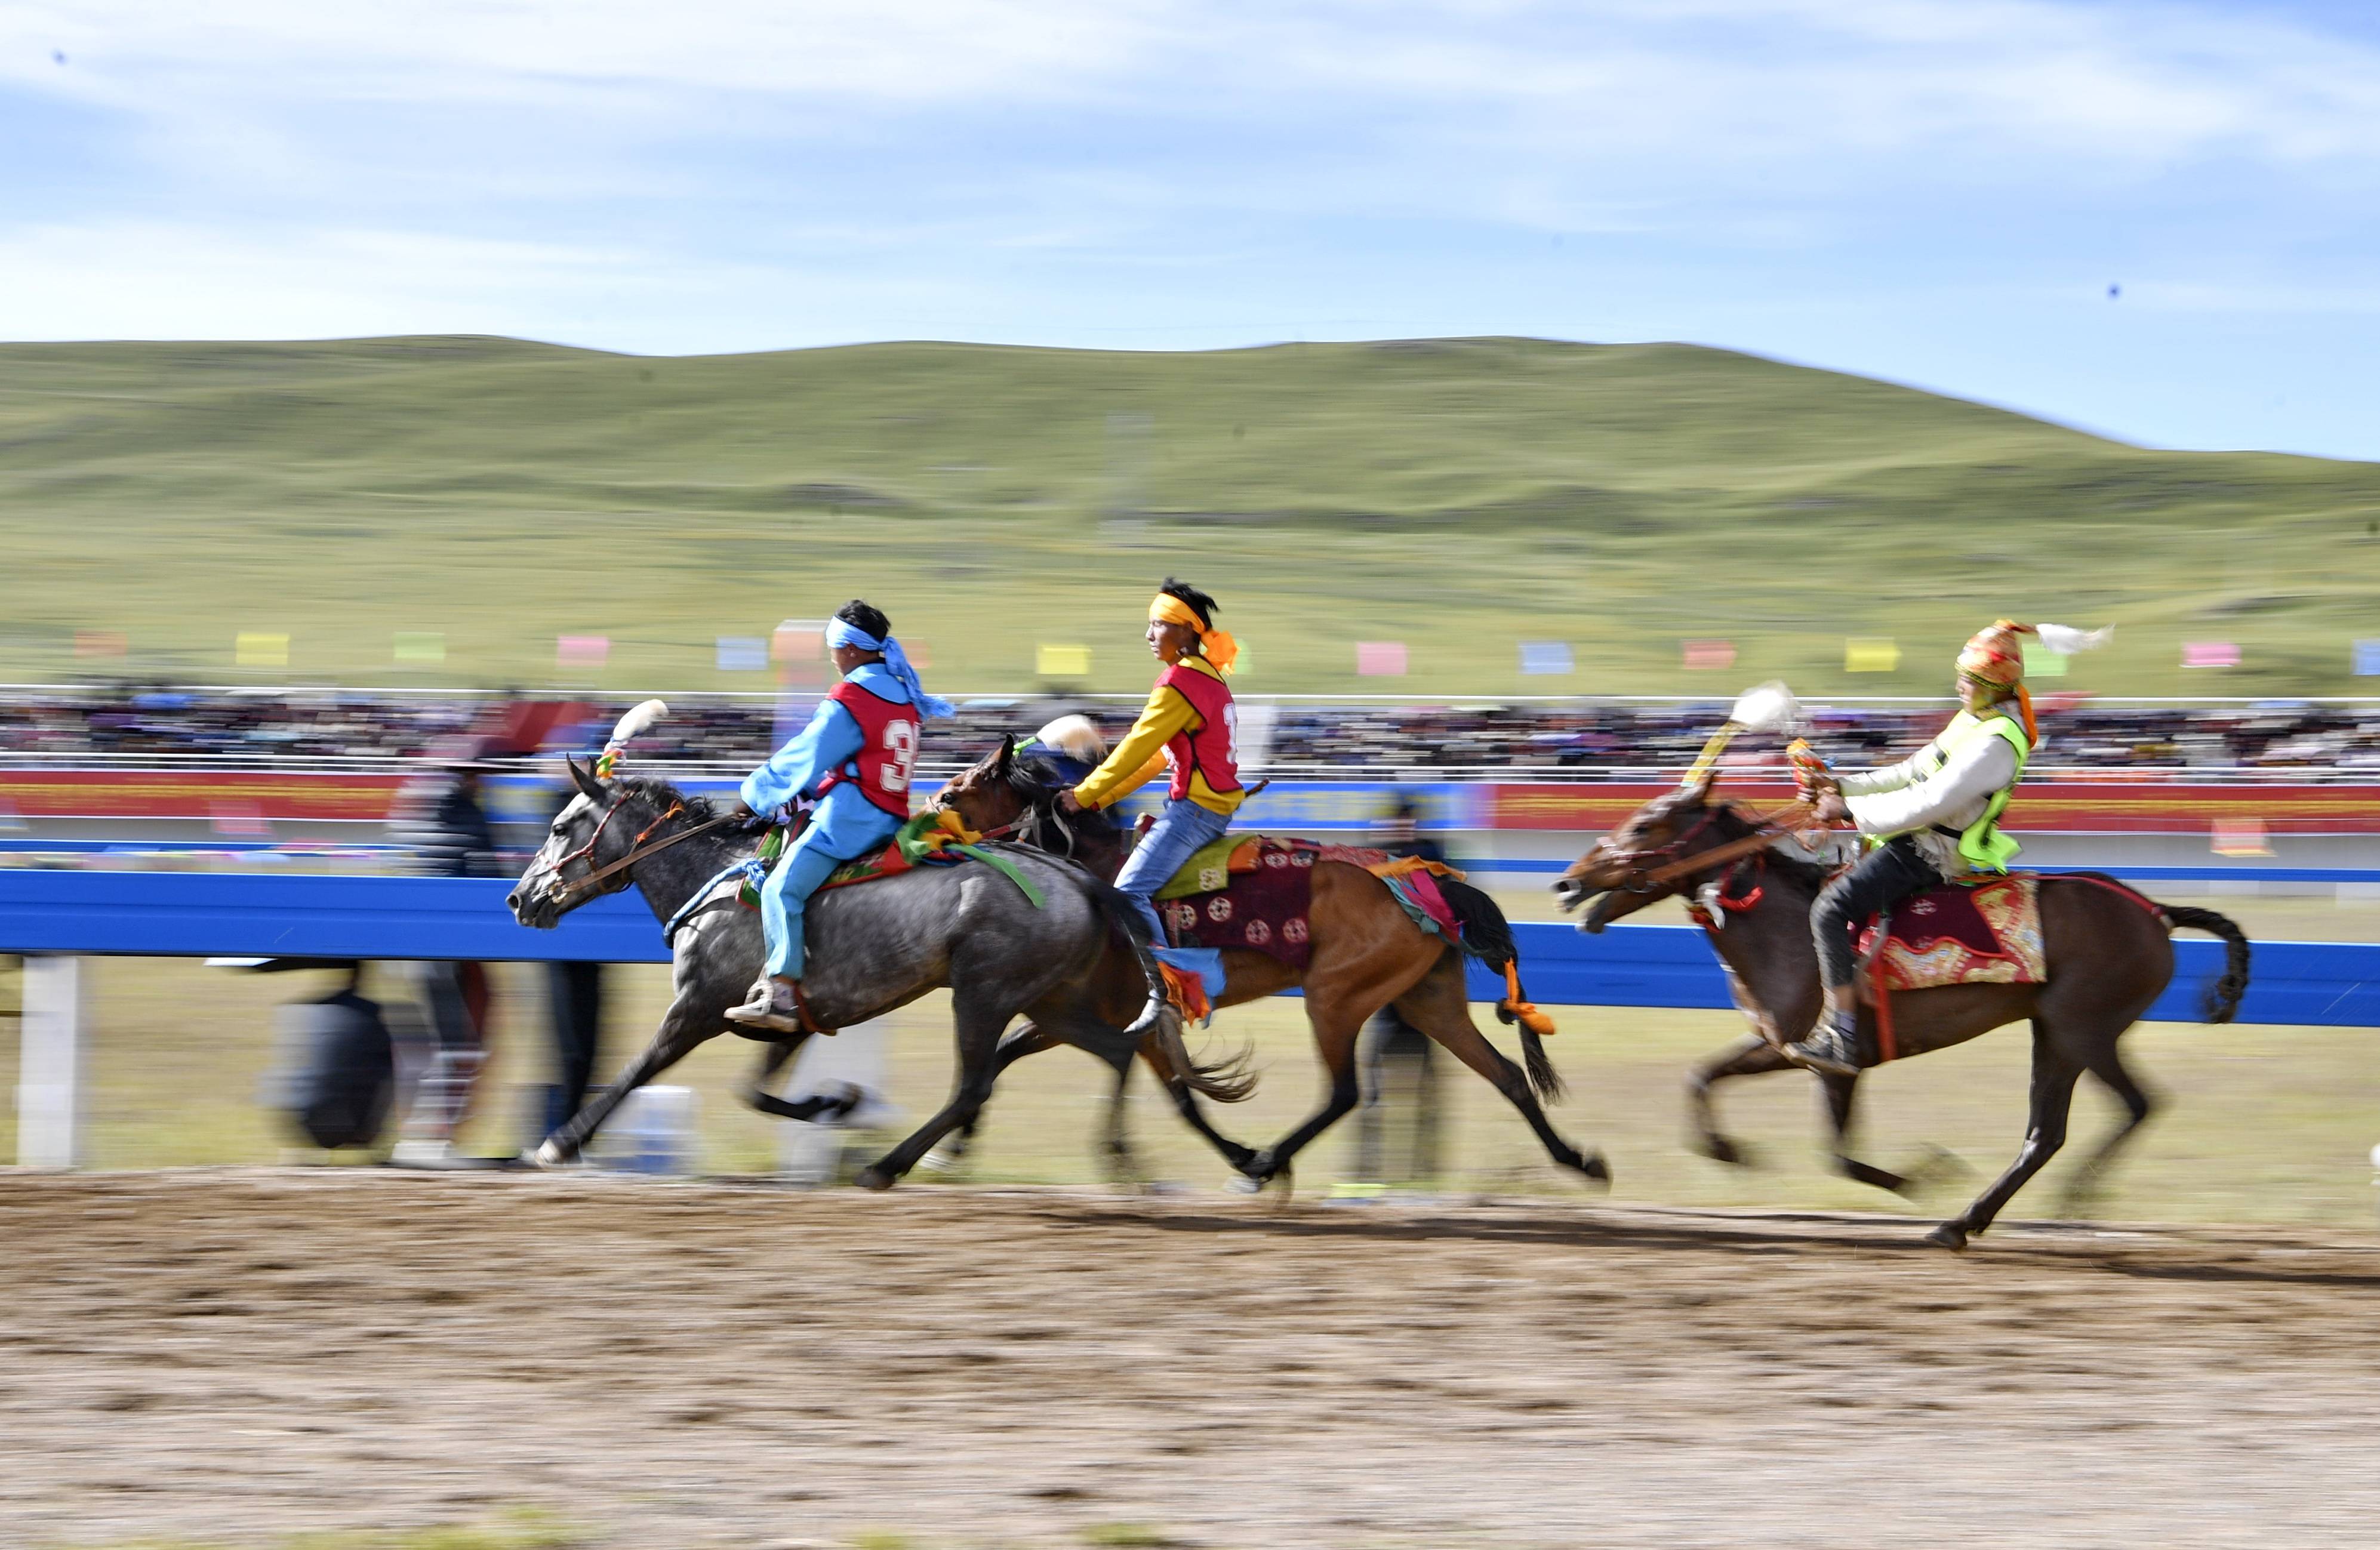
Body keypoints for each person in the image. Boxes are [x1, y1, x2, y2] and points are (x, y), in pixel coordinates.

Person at [1784, 620, 2105, 1076]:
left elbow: (1929, 802)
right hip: (1915, 835)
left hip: (1933, 849)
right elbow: (1910, 771)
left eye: (1969, 680)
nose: (1959, 686)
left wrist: (1849, 811)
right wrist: (1841, 785)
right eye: (1960, 675)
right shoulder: (1974, 720)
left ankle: (1841, 1036)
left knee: (1828, 910)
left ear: (1995, 688)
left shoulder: (1996, 742)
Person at [726, 600, 951, 1034]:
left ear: (848, 648)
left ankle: (782, 992)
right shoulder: (903, 692)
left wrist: (753, 796)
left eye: (832, 648)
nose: (830, 657)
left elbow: (806, 756)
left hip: (849, 819)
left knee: (779, 888)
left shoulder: (852, 695)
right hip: (889, 815)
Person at [1057, 580, 1244, 967]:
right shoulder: (1209, 677)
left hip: (1193, 812)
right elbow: (1156, 759)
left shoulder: (1181, 681)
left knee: (1127, 894)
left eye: (1158, 624)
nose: (1148, 635)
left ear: (1186, 630)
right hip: (1208, 811)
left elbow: (1134, 747)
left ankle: (1175, 986)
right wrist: (1097, 798)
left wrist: (1083, 795)